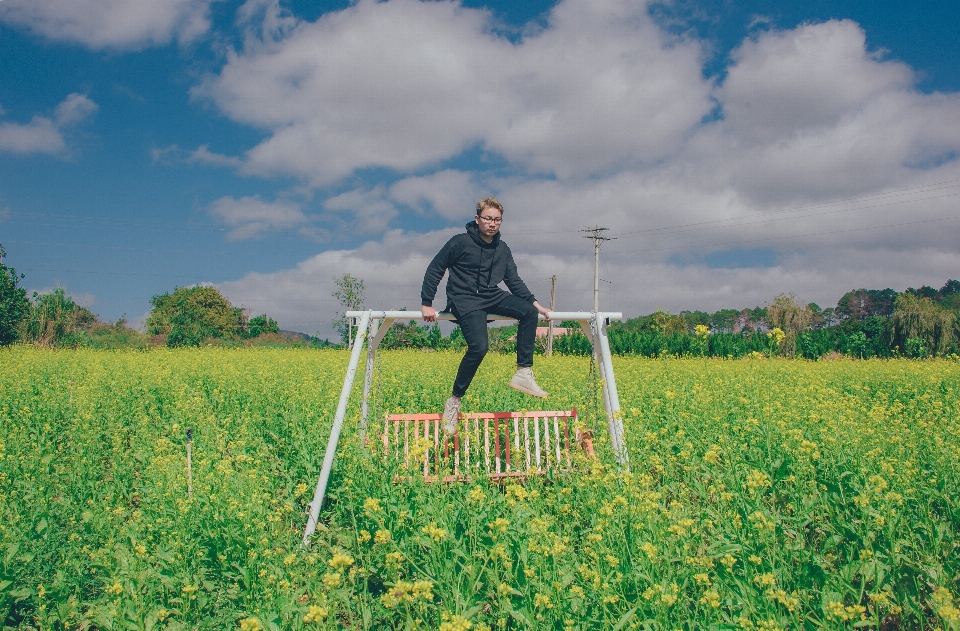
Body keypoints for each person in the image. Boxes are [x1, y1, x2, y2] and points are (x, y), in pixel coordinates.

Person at [421, 197, 552, 433]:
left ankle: (523, 372)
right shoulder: (459, 242)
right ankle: (454, 401)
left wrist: (537, 304)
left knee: (528, 312)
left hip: (491, 295)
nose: (492, 223)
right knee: (479, 347)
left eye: (497, 220)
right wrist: (427, 302)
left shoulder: (502, 249)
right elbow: (435, 268)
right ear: (477, 218)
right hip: (464, 298)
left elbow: (513, 280)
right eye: (488, 218)